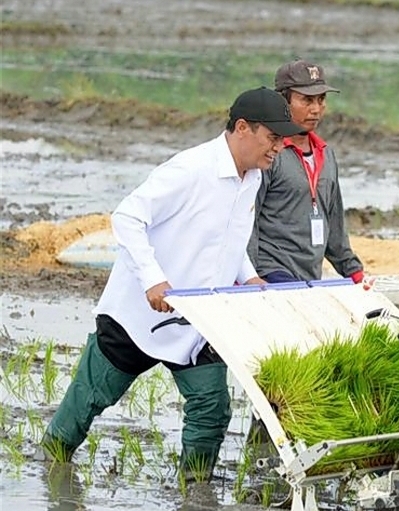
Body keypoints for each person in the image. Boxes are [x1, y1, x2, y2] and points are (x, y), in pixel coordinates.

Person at [40, 87, 303, 481]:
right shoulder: (190, 169)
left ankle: (194, 491)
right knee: (90, 399)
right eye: (273, 138)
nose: (279, 148)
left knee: (211, 409)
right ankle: (50, 466)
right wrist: (153, 280)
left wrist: (246, 275)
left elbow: (227, 237)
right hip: (141, 315)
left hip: (198, 317)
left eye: (283, 140)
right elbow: (127, 217)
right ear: (244, 128)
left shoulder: (251, 177)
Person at [249, 59, 364, 284]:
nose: (316, 109)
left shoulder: (326, 154)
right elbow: (247, 221)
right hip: (271, 271)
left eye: (321, 100)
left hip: (310, 276)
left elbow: (335, 225)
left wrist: (355, 273)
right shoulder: (269, 154)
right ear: (283, 100)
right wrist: (249, 278)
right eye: (307, 100)